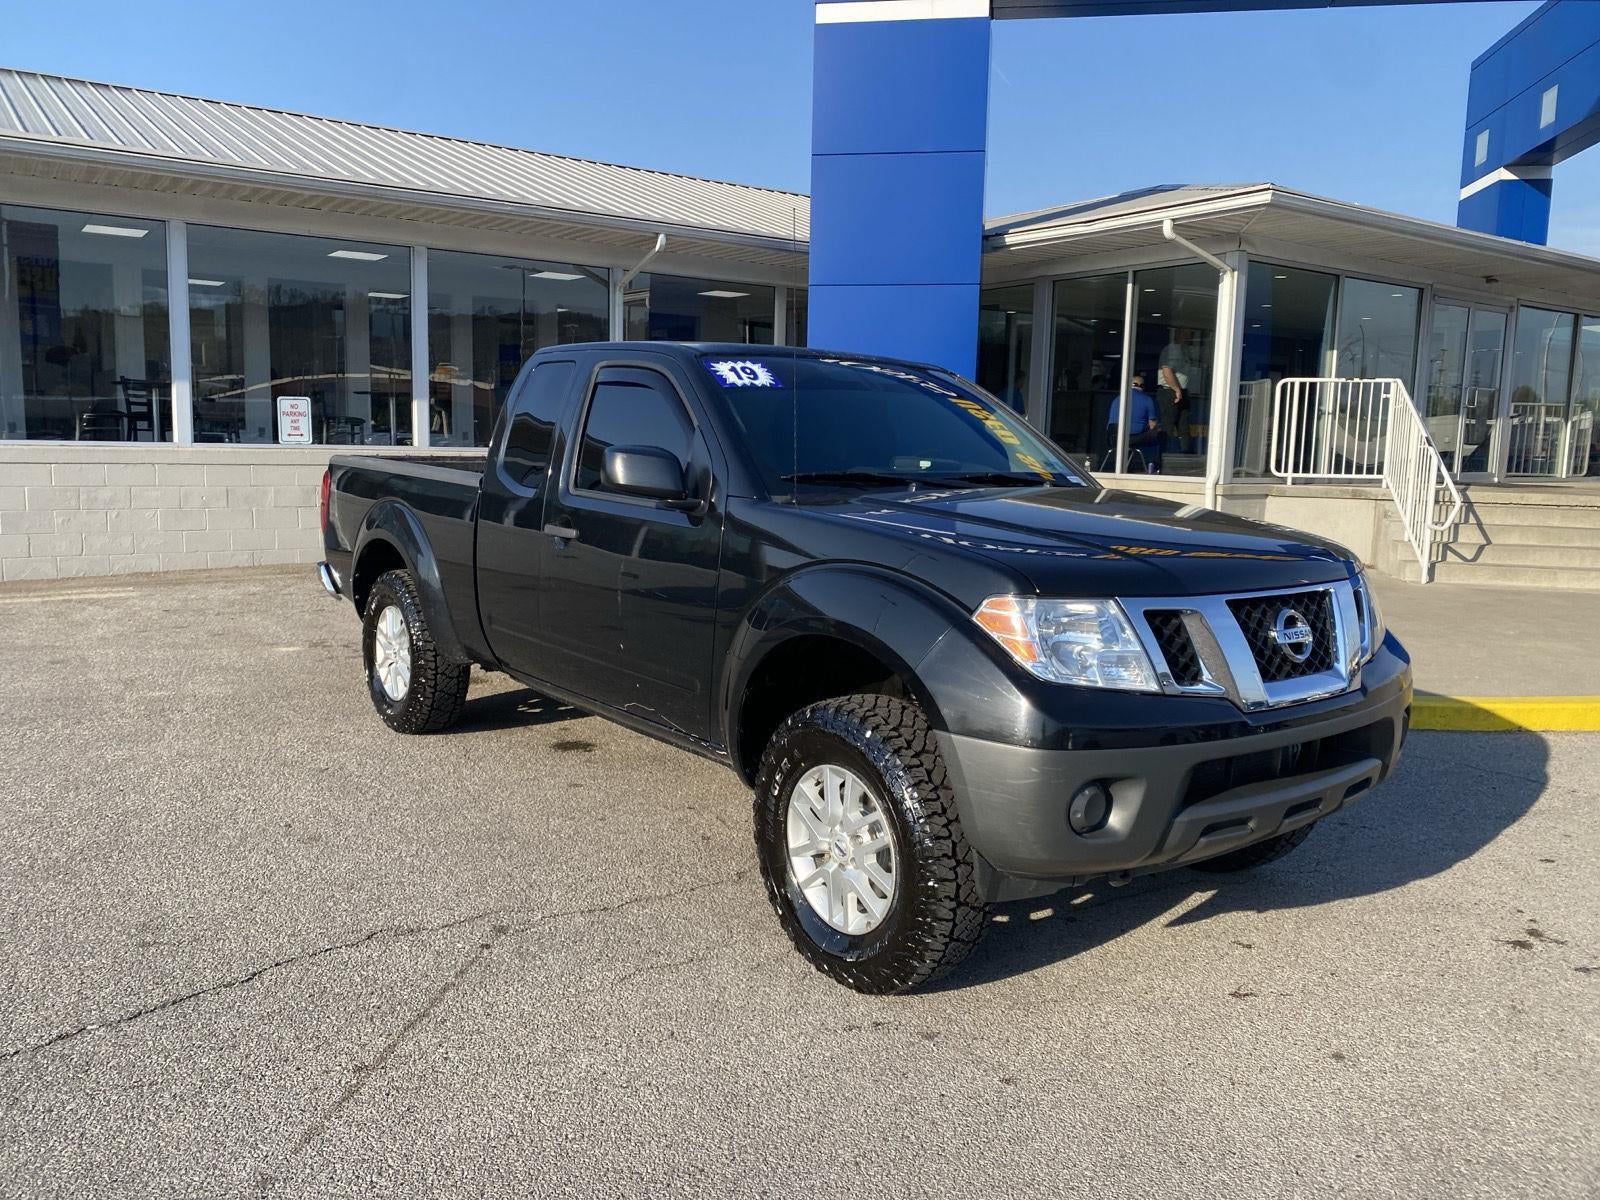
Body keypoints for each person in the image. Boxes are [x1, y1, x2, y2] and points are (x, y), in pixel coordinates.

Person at [1158, 327, 1208, 453]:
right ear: (1178, 335)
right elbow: (1167, 371)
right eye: (1185, 334)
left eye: (1189, 335)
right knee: (1168, 425)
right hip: (1170, 391)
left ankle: (1185, 456)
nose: (1188, 338)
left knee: (1184, 425)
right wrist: (1176, 389)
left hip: (1182, 391)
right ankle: (1163, 456)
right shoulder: (1171, 350)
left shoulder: (1184, 351)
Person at [1106, 371, 1163, 473]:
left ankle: (1126, 466)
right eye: (1137, 385)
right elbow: (1152, 425)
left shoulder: (1118, 398)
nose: (1140, 387)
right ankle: (1156, 466)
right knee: (1160, 434)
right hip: (1133, 438)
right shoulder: (1147, 399)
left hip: (1113, 438)